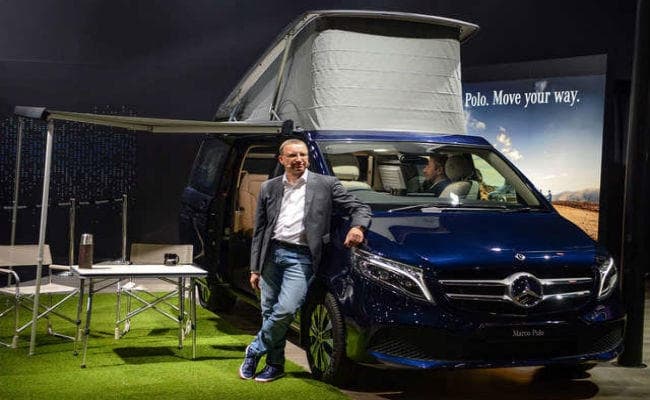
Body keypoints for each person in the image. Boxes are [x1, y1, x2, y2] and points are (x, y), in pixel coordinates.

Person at [239, 138, 371, 382]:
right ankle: (275, 365)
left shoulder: (326, 184)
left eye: (303, 154)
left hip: (302, 257)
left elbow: (359, 207)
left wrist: (358, 227)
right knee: (269, 311)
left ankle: (255, 349)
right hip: (271, 255)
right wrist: (254, 268)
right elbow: (260, 231)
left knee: (287, 309)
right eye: (292, 155)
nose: (299, 159)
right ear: (282, 160)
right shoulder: (269, 187)